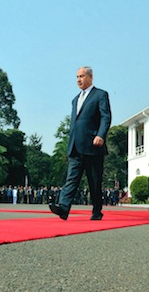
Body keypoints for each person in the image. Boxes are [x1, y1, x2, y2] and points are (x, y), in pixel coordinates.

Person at [49, 66, 111, 221]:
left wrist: (100, 135)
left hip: (93, 146)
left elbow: (105, 117)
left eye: (82, 76)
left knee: (94, 182)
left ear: (90, 77)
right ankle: (63, 208)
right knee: (71, 178)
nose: (78, 79)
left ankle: (97, 211)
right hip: (76, 147)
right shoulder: (75, 100)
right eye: (77, 76)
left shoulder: (100, 95)